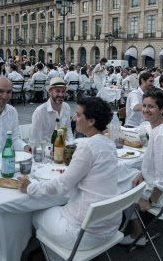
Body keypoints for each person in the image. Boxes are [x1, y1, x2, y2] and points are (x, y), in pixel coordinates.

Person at [18, 97, 119, 250]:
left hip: (84, 233)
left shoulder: (88, 147)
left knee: (35, 213)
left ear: (91, 121)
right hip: (108, 226)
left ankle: (51, 254)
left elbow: (63, 185)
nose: (74, 118)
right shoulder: (108, 143)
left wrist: (31, 187)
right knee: (55, 206)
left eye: (78, 115)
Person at [120, 88, 163, 245]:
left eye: (151, 106)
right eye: (144, 105)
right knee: (130, 176)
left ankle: (138, 233)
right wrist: (142, 173)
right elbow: (157, 165)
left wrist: (150, 201)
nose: (145, 110)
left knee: (121, 187)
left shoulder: (160, 135)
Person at [26, 77, 74, 150]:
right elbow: (35, 140)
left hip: (63, 148)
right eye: (57, 91)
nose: (61, 95)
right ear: (50, 92)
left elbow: (68, 130)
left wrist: (71, 145)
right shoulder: (40, 112)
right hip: (46, 151)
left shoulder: (66, 107)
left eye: (63, 91)